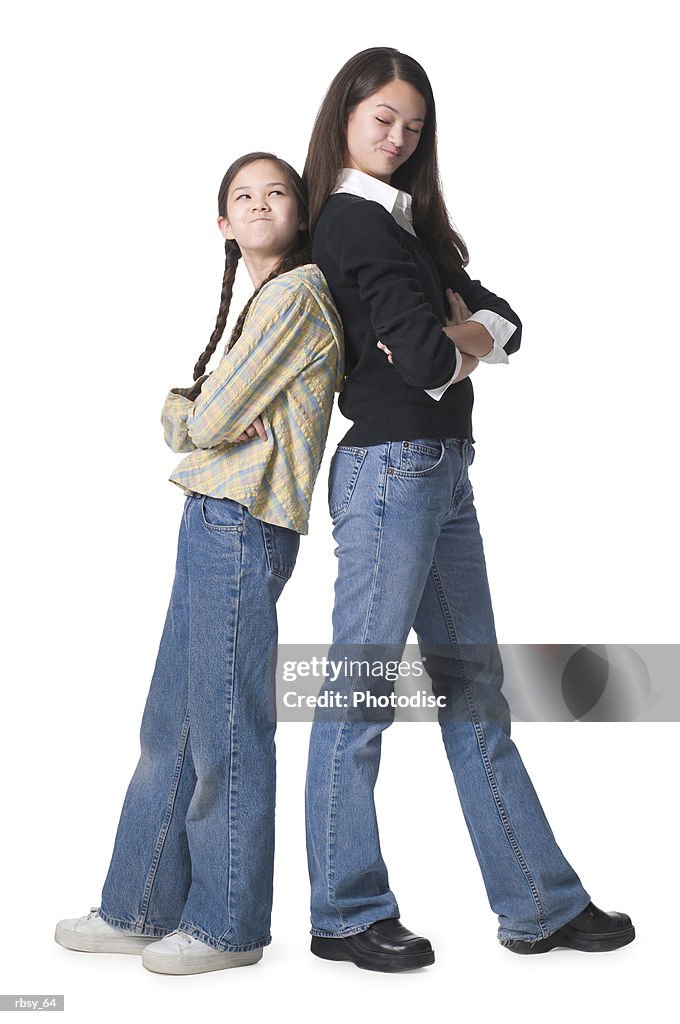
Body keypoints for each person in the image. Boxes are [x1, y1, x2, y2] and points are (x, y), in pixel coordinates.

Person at [301, 47, 635, 971]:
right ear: (345, 121)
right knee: (359, 696)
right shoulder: (350, 225)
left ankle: (538, 904)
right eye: (383, 121)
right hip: (388, 474)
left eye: (413, 125)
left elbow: (512, 322)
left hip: (444, 472)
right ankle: (345, 912)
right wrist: (464, 334)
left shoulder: (415, 229)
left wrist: (468, 328)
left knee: (474, 692)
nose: (400, 137)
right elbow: (428, 360)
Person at [54, 152, 343, 975]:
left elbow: (209, 412)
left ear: (300, 213)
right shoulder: (262, 301)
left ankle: (228, 925)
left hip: (241, 523)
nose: (258, 206)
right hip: (210, 517)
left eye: (276, 194)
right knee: (172, 724)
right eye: (242, 198)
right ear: (224, 223)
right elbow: (206, 414)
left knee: (226, 729)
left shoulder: (297, 293)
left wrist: (192, 410)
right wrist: (196, 412)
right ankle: (139, 904)